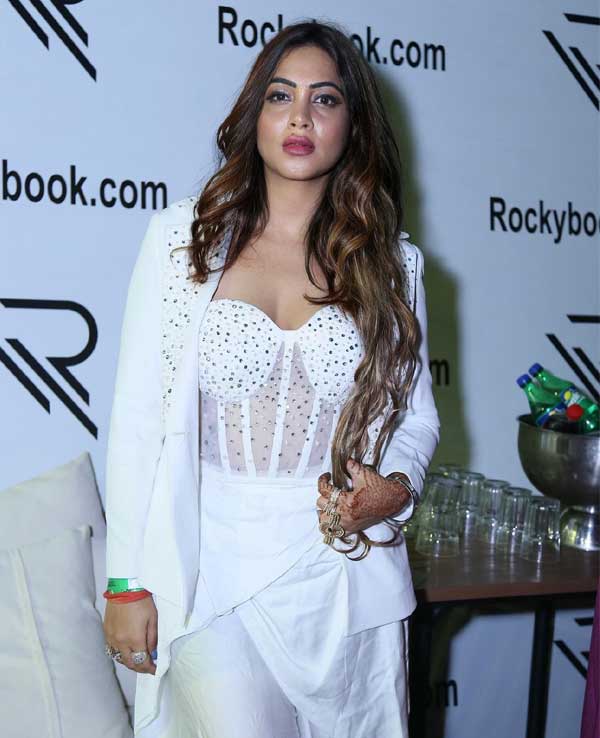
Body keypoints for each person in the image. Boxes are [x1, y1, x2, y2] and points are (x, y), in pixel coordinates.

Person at [103, 19, 440, 738]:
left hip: (344, 577)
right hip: (209, 568)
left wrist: (395, 489)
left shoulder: (393, 266)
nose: (300, 116)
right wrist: (125, 582)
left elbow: (416, 418)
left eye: (325, 99)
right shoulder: (182, 240)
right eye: (281, 95)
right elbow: (136, 422)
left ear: (353, 125)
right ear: (255, 113)